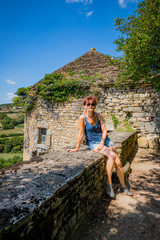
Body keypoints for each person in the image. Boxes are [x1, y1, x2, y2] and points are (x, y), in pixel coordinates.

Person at [67, 95, 133, 198]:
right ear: (84, 105)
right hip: (93, 142)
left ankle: (124, 187)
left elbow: (104, 130)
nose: (90, 106)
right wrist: (76, 148)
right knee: (111, 156)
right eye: (88, 104)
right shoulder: (82, 118)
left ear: (95, 105)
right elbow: (81, 134)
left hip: (105, 140)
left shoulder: (99, 115)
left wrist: (102, 142)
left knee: (118, 162)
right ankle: (109, 184)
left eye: (93, 104)